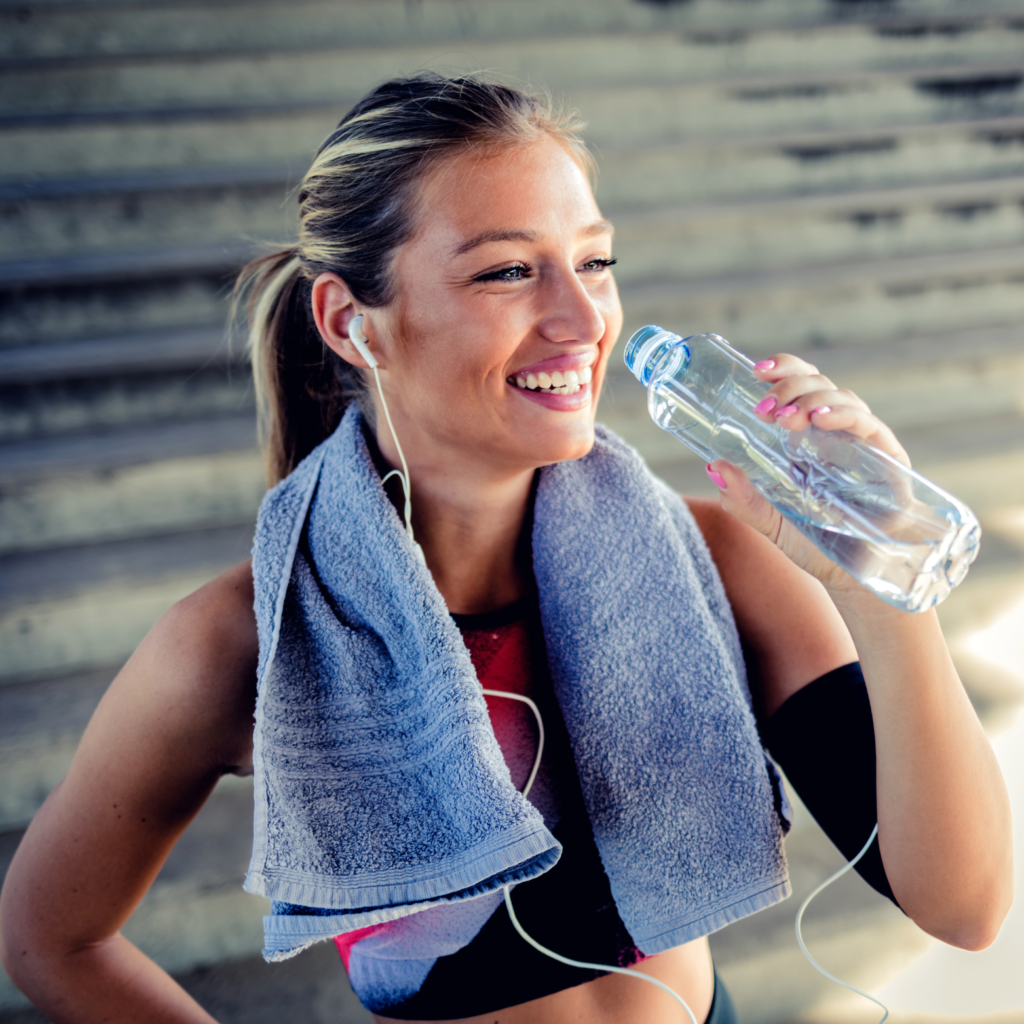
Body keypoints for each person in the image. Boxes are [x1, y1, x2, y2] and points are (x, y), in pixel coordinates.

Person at [0, 74, 1013, 1024]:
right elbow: (51, 937)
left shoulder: (717, 564)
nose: (582, 321)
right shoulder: (247, 641)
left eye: (595, 261)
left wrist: (882, 585)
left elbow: (963, 905)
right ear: (352, 323)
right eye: (507, 271)